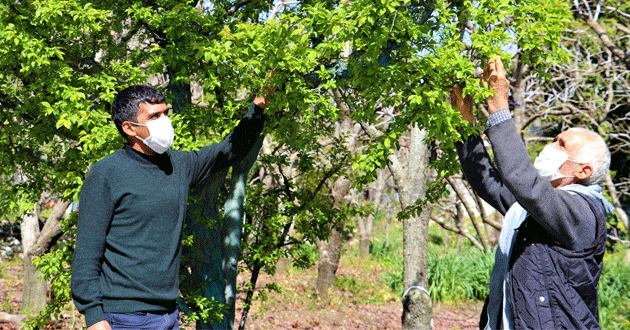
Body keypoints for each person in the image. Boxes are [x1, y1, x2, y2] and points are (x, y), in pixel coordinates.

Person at [71, 82, 275, 330]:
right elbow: (86, 254)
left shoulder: (179, 165)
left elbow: (231, 150)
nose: (164, 121)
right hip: (124, 318)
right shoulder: (107, 174)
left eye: (165, 113)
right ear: (129, 128)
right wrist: (93, 315)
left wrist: (258, 106)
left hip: (169, 315)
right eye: (154, 116)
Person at [451, 55, 614, 330]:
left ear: (584, 171)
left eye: (561, 144)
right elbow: (488, 182)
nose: (551, 146)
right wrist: (463, 123)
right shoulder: (540, 208)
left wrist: (499, 108)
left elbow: (521, 179)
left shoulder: (582, 212)